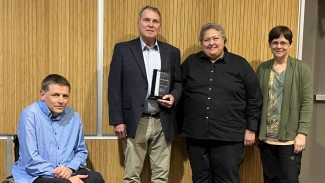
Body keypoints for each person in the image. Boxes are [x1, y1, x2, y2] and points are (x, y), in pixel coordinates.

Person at [180, 23, 263, 183]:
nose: (211, 43)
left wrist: (251, 128)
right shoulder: (191, 63)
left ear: (224, 40)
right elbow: (178, 92)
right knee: (200, 179)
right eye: (206, 39)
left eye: (215, 38)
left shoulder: (240, 64)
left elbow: (255, 97)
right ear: (201, 42)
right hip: (197, 135)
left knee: (227, 179)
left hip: (229, 137)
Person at [108, 5, 182, 183]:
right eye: (146, 20)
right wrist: (118, 120)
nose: (151, 24)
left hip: (162, 119)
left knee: (161, 176)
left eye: (155, 21)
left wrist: (173, 96)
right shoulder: (123, 50)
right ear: (139, 23)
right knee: (132, 176)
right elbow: (114, 86)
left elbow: (178, 83)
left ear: (160, 25)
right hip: (135, 119)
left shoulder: (171, 52)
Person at [12, 74, 104, 183]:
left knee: (96, 178)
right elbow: (31, 160)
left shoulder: (74, 116)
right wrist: (63, 176)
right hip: (36, 174)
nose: (61, 101)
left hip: (68, 170)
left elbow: (81, 151)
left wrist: (70, 168)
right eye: (56, 95)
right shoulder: (29, 115)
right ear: (42, 95)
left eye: (65, 96)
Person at [256, 25, 313, 183]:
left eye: (283, 43)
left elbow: (307, 103)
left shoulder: (302, 69)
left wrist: (302, 133)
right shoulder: (262, 69)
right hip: (266, 138)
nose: (279, 46)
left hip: (290, 139)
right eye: (275, 42)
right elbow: (256, 101)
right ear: (269, 44)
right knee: (270, 178)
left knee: (289, 178)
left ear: (290, 44)